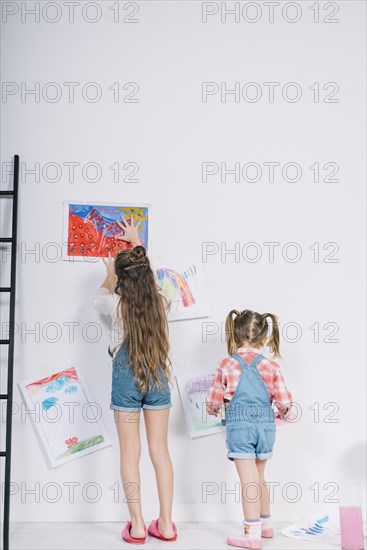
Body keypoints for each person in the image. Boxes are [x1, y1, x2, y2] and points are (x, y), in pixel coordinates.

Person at [92, 216, 177, 544]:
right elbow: (151, 279)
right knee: (161, 451)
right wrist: (137, 242)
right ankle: (167, 525)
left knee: (130, 453)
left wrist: (109, 274)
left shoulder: (114, 304)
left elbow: (98, 298)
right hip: (157, 378)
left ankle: (139, 526)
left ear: (121, 279)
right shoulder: (161, 302)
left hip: (126, 382)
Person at [206, 309, 293, 549]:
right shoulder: (270, 365)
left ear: (235, 336)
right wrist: (283, 413)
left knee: (248, 481)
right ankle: (266, 526)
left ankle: (251, 535)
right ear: (264, 339)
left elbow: (213, 401)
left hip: (240, 427)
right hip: (266, 426)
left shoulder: (226, 364)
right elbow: (285, 403)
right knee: (259, 477)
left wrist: (213, 409)